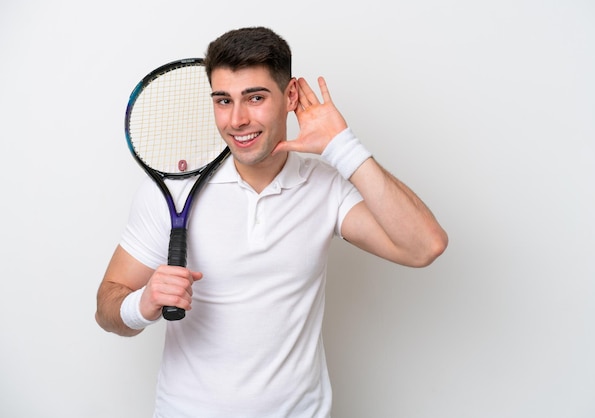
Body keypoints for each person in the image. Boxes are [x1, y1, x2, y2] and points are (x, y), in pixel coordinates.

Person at [96, 26, 448, 418]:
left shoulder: (324, 186)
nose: (237, 120)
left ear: (290, 96)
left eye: (256, 98)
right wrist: (141, 305)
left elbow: (424, 247)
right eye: (223, 100)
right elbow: (107, 307)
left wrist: (342, 145)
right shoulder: (173, 193)